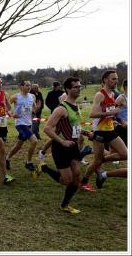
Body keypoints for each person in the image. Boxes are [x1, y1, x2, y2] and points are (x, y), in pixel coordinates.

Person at [42, 77, 91, 214]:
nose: (79, 88)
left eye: (80, 86)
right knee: (67, 181)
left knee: (77, 175)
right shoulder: (61, 109)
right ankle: (44, 168)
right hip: (61, 148)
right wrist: (62, 141)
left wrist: (86, 133)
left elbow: (74, 127)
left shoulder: (76, 106)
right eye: (76, 87)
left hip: (73, 146)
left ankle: (65, 205)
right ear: (68, 89)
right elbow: (47, 129)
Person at [80, 70, 128, 192]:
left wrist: (118, 119)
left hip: (110, 130)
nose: (116, 81)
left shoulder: (113, 94)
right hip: (100, 132)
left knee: (125, 154)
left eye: (117, 79)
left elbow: (110, 113)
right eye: (113, 79)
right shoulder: (100, 94)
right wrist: (112, 112)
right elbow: (92, 114)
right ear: (105, 80)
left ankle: (102, 161)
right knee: (97, 160)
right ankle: (84, 181)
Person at [95, 78, 128, 188]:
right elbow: (111, 113)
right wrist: (120, 121)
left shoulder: (118, 96)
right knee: (120, 153)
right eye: (114, 79)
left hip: (122, 129)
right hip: (119, 129)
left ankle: (98, 162)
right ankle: (97, 161)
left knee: (117, 154)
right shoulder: (120, 98)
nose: (116, 81)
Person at [5, 80, 38, 173]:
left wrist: (35, 109)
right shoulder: (15, 97)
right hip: (20, 123)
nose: (29, 87)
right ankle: (28, 162)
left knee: (19, 145)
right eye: (27, 85)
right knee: (34, 141)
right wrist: (11, 114)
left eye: (30, 85)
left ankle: (7, 159)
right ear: (21, 87)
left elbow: (34, 107)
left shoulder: (32, 96)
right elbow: (6, 107)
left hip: (28, 123)